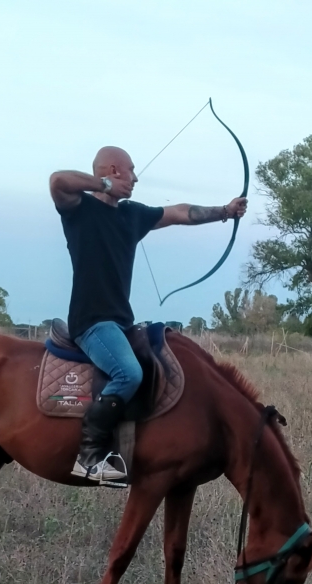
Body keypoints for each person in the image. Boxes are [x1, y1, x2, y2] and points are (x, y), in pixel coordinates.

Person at [49, 146, 247, 485]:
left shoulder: (132, 215)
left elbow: (180, 212)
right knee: (128, 372)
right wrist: (104, 187)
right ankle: (89, 457)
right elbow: (58, 181)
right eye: (131, 170)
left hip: (121, 322)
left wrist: (224, 211)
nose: (136, 177)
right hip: (92, 322)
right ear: (113, 170)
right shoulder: (79, 209)